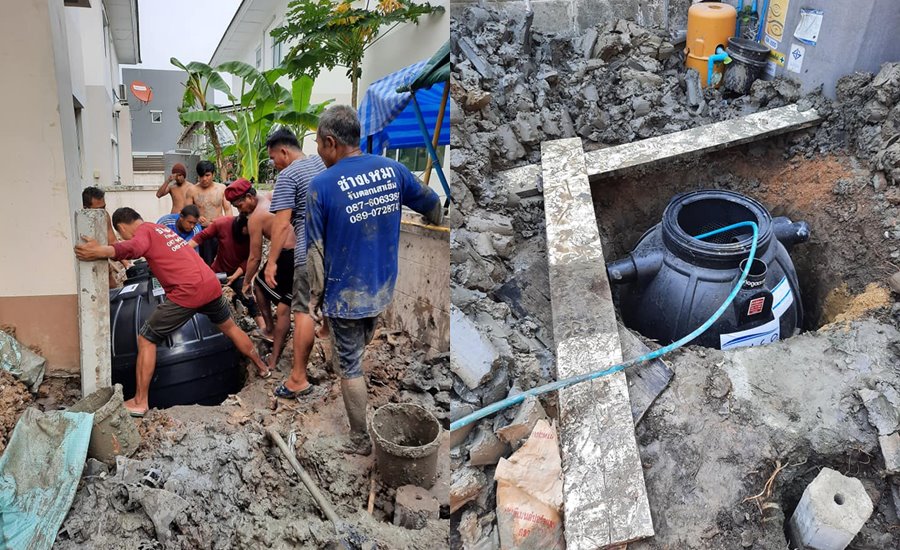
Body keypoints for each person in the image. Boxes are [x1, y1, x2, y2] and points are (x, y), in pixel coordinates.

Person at [307, 105, 443, 455]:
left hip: (345, 294)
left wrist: (315, 300)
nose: (319, 153)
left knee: (350, 367)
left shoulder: (321, 185)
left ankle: (359, 438)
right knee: (356, 348)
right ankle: (349, 368)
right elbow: (431, 203)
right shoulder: (393, 169)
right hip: (382, 289)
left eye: (319, 145)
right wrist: (435, 220)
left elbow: (314, 252)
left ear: (331, 142)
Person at [73, 207, 270, 417]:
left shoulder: (144, 232)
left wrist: (100, 251)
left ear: (122, 227)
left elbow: (133, 248)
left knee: (146, 338)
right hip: (210, 283)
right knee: (230, 327)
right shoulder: (160, 230)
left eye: (121, 234)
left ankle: (140, 401)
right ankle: (262, 368)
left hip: (189, 290)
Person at [264, 128, 326, 400]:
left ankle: (298, 378)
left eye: (273, 158)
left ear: (284, 152)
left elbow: (281, 224)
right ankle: (331, 354)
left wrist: (272, 262)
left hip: (308, 251)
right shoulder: (322, 162)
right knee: (325, 307)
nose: (274, 163)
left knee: (303, 312)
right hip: (336, 249)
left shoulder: (288, 175)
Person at [227, 179, 293, 372]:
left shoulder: (256, 218)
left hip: (286, 256)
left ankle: (272, 341)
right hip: (300, 253)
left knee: (275, 302)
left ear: (249, 197)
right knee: (285, 303)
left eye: (240, 205)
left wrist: (246, 282)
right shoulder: (271, 196)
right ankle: (272, 334)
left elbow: (254, 257)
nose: (240, 211)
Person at [189, 201, 267, 336]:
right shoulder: (222, 224)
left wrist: (235, 277)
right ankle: (203, 329)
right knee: (203, 296)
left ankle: (264, 328)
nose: (248, 234)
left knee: (248, 295)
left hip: (239, 272)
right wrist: (183, 250)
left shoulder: (254, 235)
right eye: (246, 232)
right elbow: (201, 236)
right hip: (218, 271)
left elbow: (250, 260)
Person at [81, 186, 128, 288]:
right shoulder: (80, 220)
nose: (102, 211)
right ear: (86, 208)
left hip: (102, 256)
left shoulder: (105, 216)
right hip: (85, 259)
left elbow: (112, 241)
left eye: (104, 207)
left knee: (112, 285)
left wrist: (127, 264)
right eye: (98, 209)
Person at [185, 160, 229, 265]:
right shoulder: (192, 190)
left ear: (213, 174)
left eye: (207, 175)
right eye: (201, 176)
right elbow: (187, 212)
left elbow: (228, 210)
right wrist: (197, 217)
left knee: (223, 260)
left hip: (219, 230)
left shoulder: (222, 188)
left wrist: (225, 222)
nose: (204, 179)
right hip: (202, 232)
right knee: (205, 262)